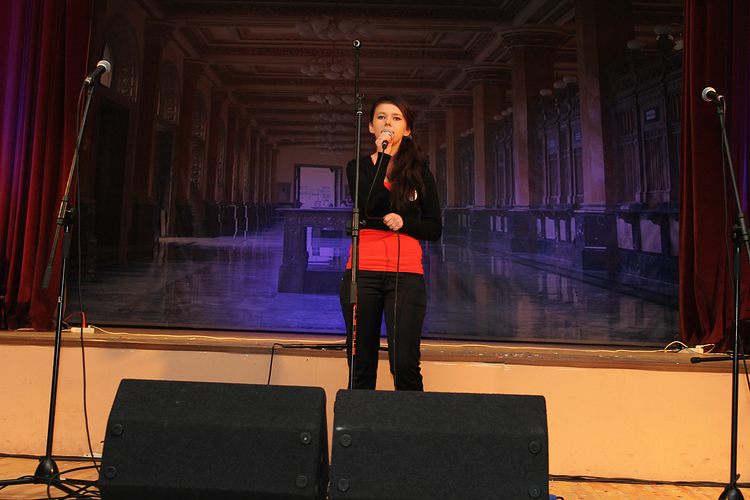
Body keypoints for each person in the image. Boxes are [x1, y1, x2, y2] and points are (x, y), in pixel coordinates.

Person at [340, 96, 442, 391]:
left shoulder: (420, 172)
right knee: (360, 364)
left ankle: (409, 422)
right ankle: (359, 421)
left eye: (396, 118)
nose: (388, 123)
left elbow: (434, 228)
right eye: (381, 117)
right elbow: (370, 205)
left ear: (407, 130)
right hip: (363, 272)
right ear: (371, 127)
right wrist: (383, 156)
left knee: (405, 363)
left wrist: (405, 222)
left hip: (406, 275)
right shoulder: (357, 166)